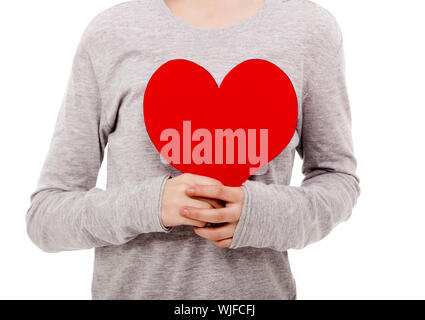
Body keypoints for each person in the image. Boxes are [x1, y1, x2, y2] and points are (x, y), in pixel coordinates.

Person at [26, 0, 360, 300]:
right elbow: (46, 217)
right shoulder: (111, 34)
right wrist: (152, 204)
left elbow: (338, 179)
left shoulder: (309, 30)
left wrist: (260, 213)